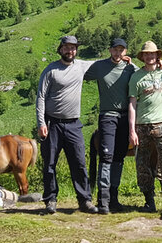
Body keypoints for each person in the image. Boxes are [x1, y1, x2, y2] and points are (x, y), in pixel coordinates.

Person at [34, 35, 101, 214]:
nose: (70, 51)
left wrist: (120, 58)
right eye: (67, 47)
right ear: (61, 49)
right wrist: (41, 123)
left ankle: (85, 200)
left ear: (76, 50)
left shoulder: (81, 66)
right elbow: (40, 97)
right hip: (52, 123)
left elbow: (101, 63)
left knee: (79, 163)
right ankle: (50, 200)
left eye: (73, 48)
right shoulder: (50, 70)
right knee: (49, 164)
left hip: (73, 124)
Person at [128, 40, 162, 219]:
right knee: (142, 163)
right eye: (146, 54)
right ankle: (148, 201)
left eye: (153, 54)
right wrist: (132, 130)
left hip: (161, 123)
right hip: (142, 125)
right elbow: (132, 104)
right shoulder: (136, 77)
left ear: (157, 55)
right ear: (142, 57)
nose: (150, 56)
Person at [82, 37, 134, 214]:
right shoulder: (99, 66)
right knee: (106, 157)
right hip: (107, 116)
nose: (118, 53)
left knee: (119, 157)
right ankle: (103, 200)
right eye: (115, 49)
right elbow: (79, 70)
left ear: (125, 52)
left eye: (121, 50)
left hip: (125, 117)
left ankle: (114, 198)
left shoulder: (130, 68)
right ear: (110, 50)